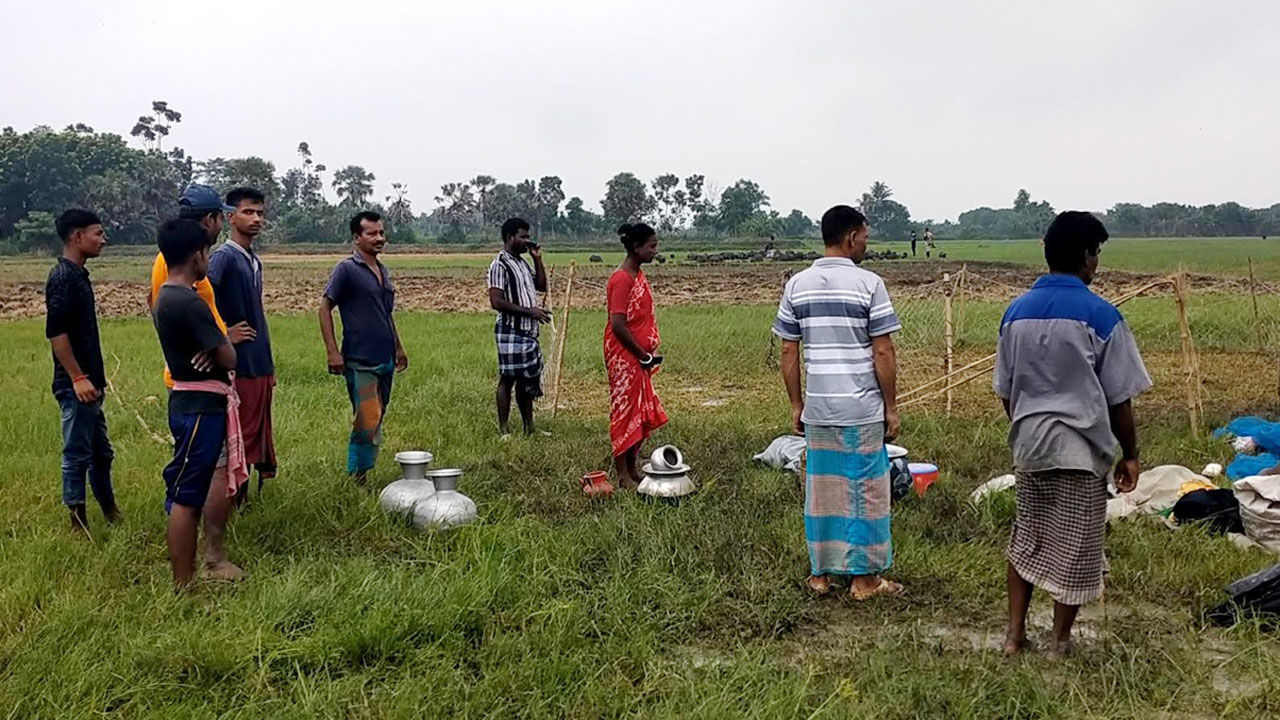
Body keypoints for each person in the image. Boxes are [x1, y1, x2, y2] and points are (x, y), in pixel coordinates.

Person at [994, 211, 1151, 659]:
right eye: (1096, 253)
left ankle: (1013, 636)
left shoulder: (1015, 313)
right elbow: (1119, 397)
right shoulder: (1101, 316)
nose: (1097, 263)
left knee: (1027, 539)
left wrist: (1024, 424)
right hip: (1080, 451)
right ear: (1087, 257)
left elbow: (1007, 391)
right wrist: (1131, 453)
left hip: (1029, 446)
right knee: (1077, 547)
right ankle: (1060, 643)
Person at [773, 205, 904, 601]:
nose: (866, 242)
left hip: (819, 407)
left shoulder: (797, 284)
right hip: (860, 407)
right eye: (865, 235)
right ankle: (864, 581)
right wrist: (891, 406)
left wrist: (797, 404)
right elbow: (882, 351)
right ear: (851, 237)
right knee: (865, 489)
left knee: (822, 489)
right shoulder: (869, 285)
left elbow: (788, 351)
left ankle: (821, 574)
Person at [152, 218, 247, 588]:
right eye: (207, 253)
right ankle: (183, 584)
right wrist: (219, 347)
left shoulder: (167, 296)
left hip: (193, 403)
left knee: (191, 490)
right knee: (187, 497)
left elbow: (216, 350)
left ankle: (192, 574)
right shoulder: (189, 302)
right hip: (198, 408)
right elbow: (229, 358)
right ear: (197, 256)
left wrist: (214, 347)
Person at [320, 211, 408, 483]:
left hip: (385, 356)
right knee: (367, 417)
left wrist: (399, 347)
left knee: (378, 415)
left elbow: (386, 313)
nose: (379, 238)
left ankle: (365, 468)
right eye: (371, 233)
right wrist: (333, 352)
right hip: (359, 357)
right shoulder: (346, 269)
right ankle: (357, 477)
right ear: (357, 238)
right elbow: (324, 308)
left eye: (381, 233)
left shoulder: (382, 270)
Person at [45, 209, 119, 532]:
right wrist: (77, 377)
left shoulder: (79, 276)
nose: (103, 240)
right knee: (76, 454)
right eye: (97, 233)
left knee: (101, 453)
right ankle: (78, 524)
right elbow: (56, 334)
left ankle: (110, 511)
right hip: (76, 385)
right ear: (77, 237)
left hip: (90, 383)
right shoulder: (63, 278)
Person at [208, 187, 275, 499]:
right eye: (248, 212)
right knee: (241, 433)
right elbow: (200, 297)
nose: (256, 218)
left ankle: (243, 497)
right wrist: (224, 334)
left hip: (257, 360)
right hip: (237, 362)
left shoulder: (253, 259)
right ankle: (234, 499)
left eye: (260, 212)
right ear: (230, 217)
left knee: (254, 431)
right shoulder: (223, 257)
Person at [605, 223, 668, 489]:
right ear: (636, 247)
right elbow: (618, 323)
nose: (655, 250)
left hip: (639, 355)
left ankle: (632, 468)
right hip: (625, 355)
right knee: (625, 410)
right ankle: (622, 473)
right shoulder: (622, 279)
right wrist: (641, 353)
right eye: (651, 246)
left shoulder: (637, 275)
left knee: (640, 410)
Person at [487, 218, 550, 436]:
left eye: (527, 236)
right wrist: (529, 311)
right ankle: (504, 430)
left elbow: (541, 286)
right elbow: (496, 301)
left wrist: (537, 260)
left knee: (526, 380)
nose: (526, 241)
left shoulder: (522, 263)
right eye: (522, 237)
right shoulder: (500, 264)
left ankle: (529, 427)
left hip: (528, 331)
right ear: (509, 237)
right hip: (510, 329)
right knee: (508, 378)